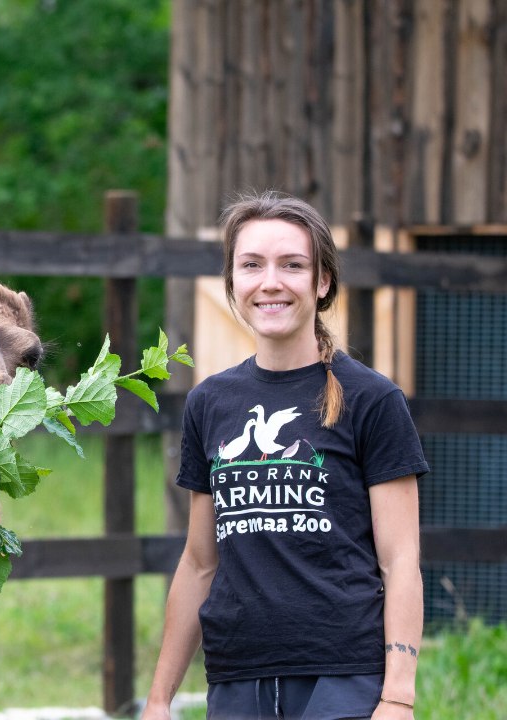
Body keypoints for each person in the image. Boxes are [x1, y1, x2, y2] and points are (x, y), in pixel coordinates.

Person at [140, 191, 427, 720]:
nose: (270, 281)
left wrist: (398, 696)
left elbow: (401, 560)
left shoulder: (372, 399)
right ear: (232, 282)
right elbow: (200, 563)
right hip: (236, 676)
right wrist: (159, 700)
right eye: (252, 265)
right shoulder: (209, 403)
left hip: (344, 677)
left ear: (321, 283)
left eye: (292, 265)